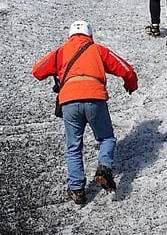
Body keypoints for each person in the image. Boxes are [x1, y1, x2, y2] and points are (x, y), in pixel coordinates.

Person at [32, 20, 138, 205]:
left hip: (69, 102)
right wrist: (131, 84)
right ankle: (104, 166)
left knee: (74, 146)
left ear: (71, 35)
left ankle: (77, 190)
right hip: (95, 98)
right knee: (106, 138)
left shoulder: (61, 51)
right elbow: (126, 69)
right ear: (90, 35)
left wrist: (57, 72)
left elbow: (37, 71)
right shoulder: (98, 49)